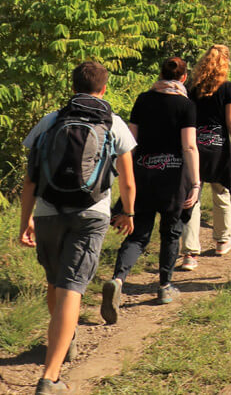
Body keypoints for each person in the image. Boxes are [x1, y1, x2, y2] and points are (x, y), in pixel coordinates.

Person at [18, 60, 136, 395]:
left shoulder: (50, 121)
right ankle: (50, 377)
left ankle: (63, 340)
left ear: (72, 87)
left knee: (55, 282)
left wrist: (25, 219)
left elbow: (29, 180)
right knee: (72, 287)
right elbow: (127, 180)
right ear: (104, 88)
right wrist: (127, 212)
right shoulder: (113, 123)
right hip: (92, 214)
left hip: (47, 212)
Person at [102, 57, 200, 319]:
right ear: (183, 78)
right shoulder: (186, 105)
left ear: (160, 74)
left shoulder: (143, 100)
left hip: (143, 174)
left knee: (138, 234)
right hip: (174, 178)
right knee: (171, 232)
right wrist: (196, 183)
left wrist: (127, 174)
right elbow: (189, 146)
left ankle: (118, 280)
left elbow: (130, 140)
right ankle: (165, 286)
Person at [180, 45, 231, 269]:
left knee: (193, 196)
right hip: (219, 147)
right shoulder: (228, 88)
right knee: (221, 193)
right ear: (225, 64)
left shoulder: (192, 87)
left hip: (194, 146)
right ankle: (222, 240)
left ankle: (190, 253)